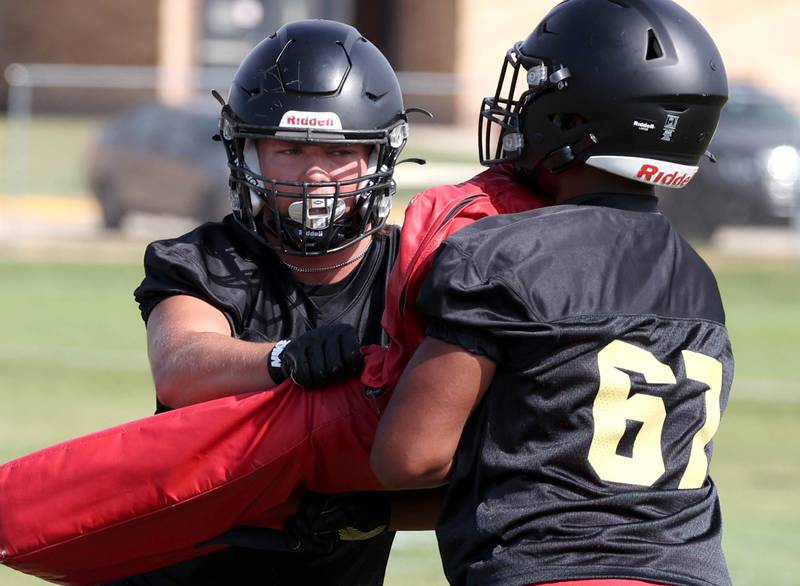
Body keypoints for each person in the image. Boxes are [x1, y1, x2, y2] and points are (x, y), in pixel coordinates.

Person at [369, 1, 733, 585]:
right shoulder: (699, 279)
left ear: (572, 116)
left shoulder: (503, 253)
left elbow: (411, 457)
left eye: (540, 88)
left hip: (549, 570)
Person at [121, 18, 408, 586]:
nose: (315, 174)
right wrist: (284, 360)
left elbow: (467, 465)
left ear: (379, 157)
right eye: (291, 149)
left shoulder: (414, 272)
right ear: (246, 153)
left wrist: (375, 510)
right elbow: (181, 365)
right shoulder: (206, 259)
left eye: (337, 149)